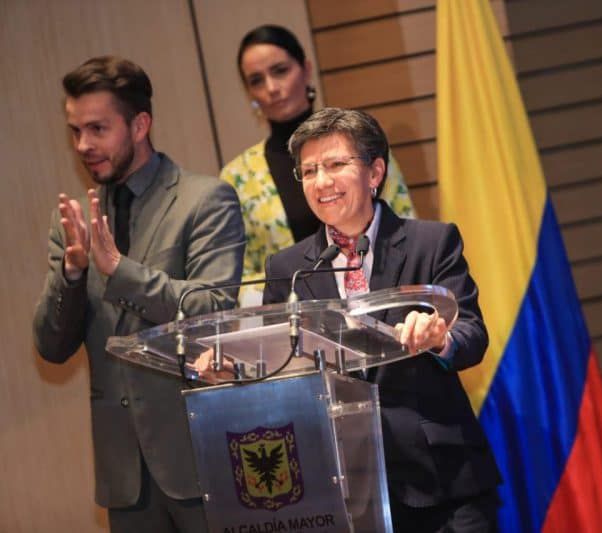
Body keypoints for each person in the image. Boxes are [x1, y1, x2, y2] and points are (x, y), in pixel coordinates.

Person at [32, 56, 245, 532]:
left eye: (97, 129)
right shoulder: (74, 223)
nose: (83, 145)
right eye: (75, 131)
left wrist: (119, 270)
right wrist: (71, 274)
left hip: (198, 458)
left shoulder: (204, 200)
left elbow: (212, 309)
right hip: (123, 474)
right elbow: (50, 347)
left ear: (140, 125)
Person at [262, 108, 500, 532]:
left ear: (374, 172)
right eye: (309, 171)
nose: (321, 182)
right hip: (341, 487)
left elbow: (472, 334)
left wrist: (440, 337)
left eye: (335, 164)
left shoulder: (431, 242)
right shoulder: (288, 269)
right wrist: (236, 371)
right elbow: (278, 364)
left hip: (442, 482)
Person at [220, 24, 416, 306]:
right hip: (293, 317)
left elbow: (405, 230)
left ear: (306, 69)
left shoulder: (364, 145)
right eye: (256, 80)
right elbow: (236, 277)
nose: (272, 88)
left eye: (280, 71)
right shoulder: (237, 176)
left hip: (380, 302)